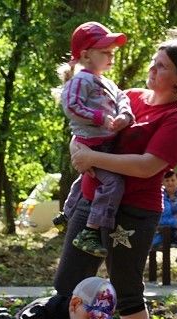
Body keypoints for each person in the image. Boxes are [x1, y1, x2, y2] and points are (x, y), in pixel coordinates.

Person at [55, 37, 177, 319]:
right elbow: (92, 125)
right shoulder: (132, 97)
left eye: (162, 67)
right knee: (68, 285)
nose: (152, 69)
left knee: (126, 290)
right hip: (91, 201)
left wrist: (93, 160)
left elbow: (148, 167)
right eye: (153, 63)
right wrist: (80, 146)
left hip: (134, 212)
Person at [59, 21, 133, 259]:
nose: (111, 56)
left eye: (112, 52)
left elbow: (122, 98)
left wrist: (124, 115)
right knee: (113, 183)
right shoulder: (81, 80)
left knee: (87, 179)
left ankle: (68, 211)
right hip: (91, 142)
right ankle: (91, 231)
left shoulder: (106, 82)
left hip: (105, 143)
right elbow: (71, 106)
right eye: (105, 52)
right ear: (85, 55)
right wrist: (99, 117)